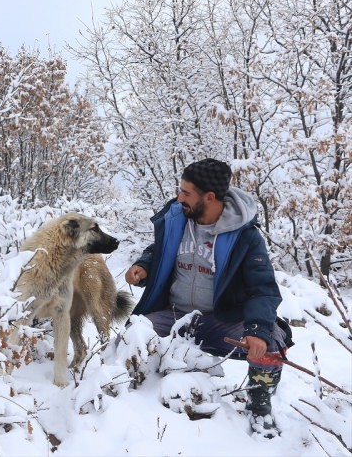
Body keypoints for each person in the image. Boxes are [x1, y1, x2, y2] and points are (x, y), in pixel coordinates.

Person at [124, 158, 292, 437]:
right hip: (175, 316)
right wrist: (144, 266)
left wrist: (256, 331)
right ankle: (136, 396)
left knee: (271, 341)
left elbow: (263, 288)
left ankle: (259, 408)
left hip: (220, 320)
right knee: (134, 335)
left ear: (209, 197)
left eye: (186, 193)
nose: (179, 198)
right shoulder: (177, 218)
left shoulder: (244, 236)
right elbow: (159, 250)